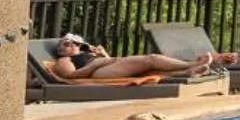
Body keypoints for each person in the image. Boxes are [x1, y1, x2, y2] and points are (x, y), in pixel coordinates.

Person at [48, 32, 216, 82]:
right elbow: (69, 76)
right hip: (97, 73)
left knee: (150, 70)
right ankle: (191, 64)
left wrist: (102, 55)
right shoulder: (64, 60)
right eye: (66, 43)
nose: (71, 46)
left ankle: (189, 72)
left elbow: (109, 60)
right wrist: (93, 65)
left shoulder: (88, 54)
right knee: (151, 59)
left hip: (104, 67)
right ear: (60, 49)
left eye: (75, 43)